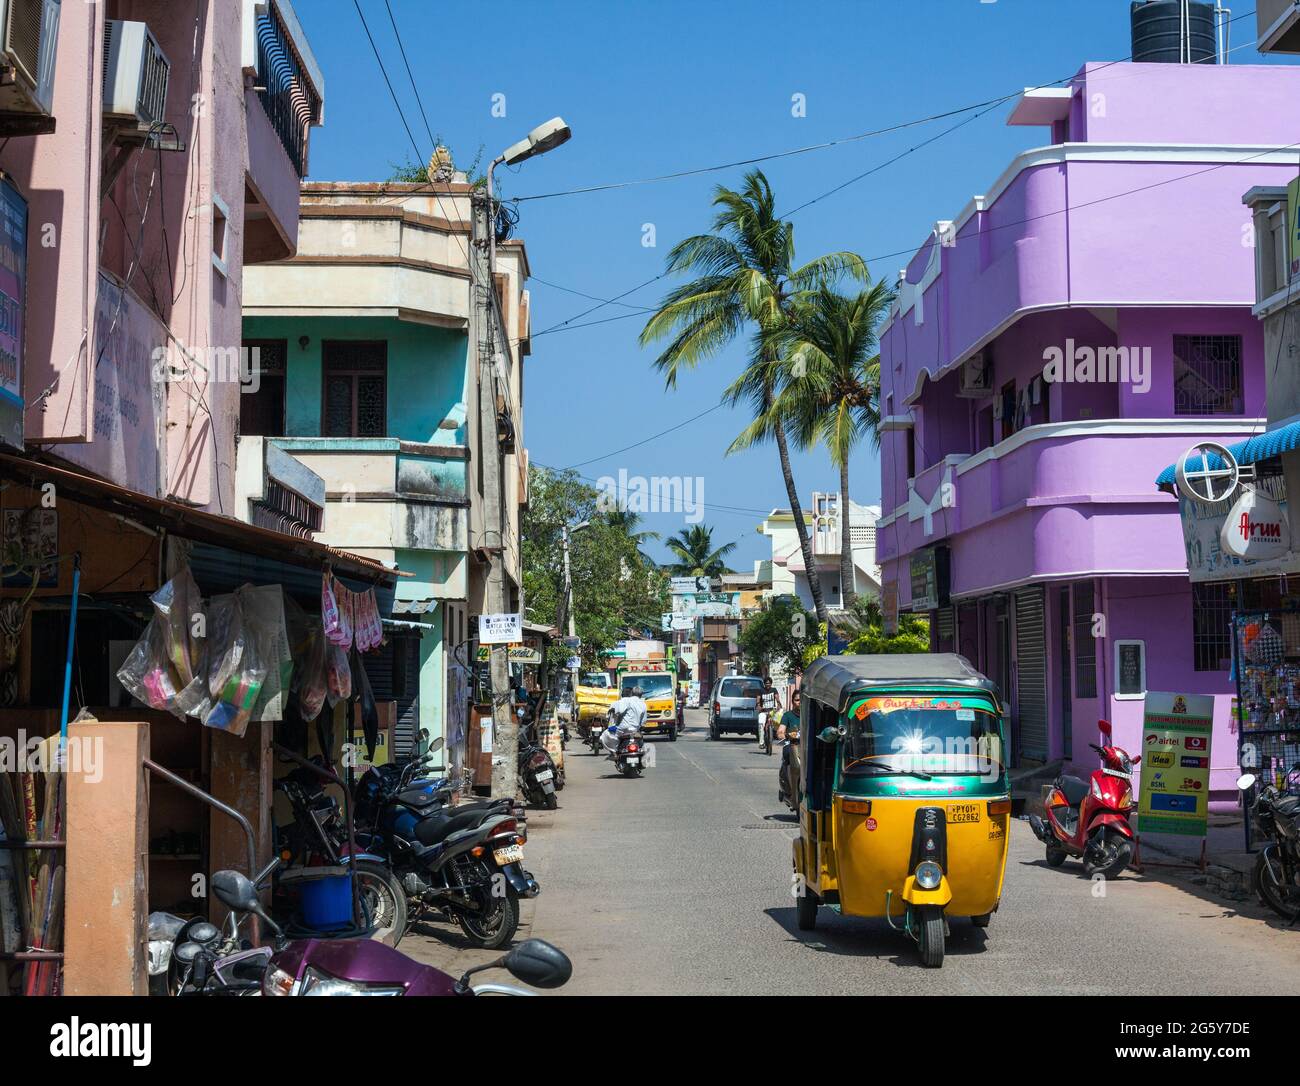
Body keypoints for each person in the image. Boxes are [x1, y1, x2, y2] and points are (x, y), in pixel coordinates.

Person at [603, 684, 647, 755]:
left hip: (622, 729)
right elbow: (644, 721)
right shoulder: (643, 704)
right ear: (641, 695)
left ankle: (614, 752)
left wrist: (613, 711)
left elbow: (619, 711)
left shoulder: (626, 701)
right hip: (635, 729)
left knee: (605, 735)